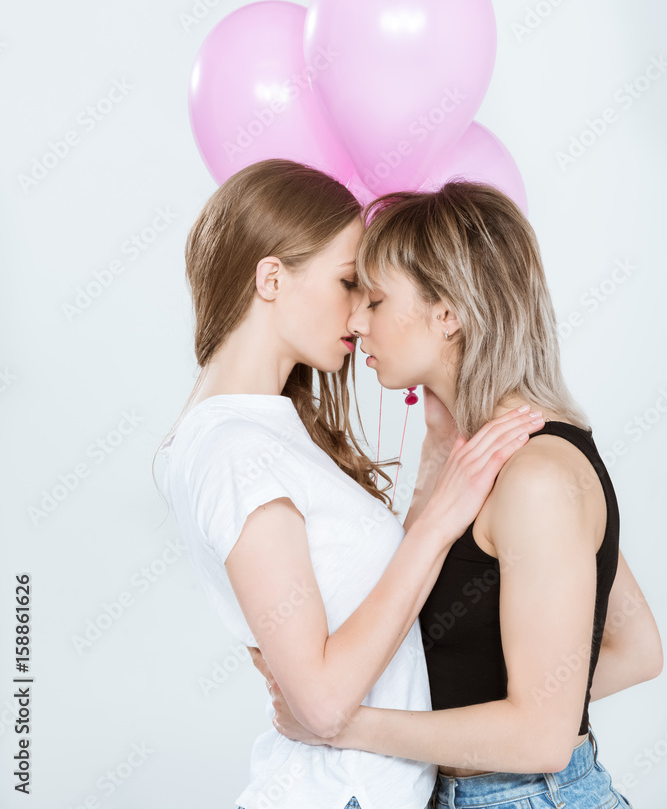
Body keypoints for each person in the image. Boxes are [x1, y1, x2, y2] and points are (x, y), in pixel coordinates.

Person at [254, 178, 663, 809]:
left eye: (377, 300)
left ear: (449, 313)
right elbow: (633, 650)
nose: (357, 321)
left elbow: (544, 737)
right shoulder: (475, 455)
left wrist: (348, 725)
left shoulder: (537, 476)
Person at [158, 159, 546, 809]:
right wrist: (441, 519)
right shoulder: (233, 448)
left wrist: (435, 453)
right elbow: (323, 703)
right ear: (271, 277)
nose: (361, 312)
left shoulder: (262, 429)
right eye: (347, 283)